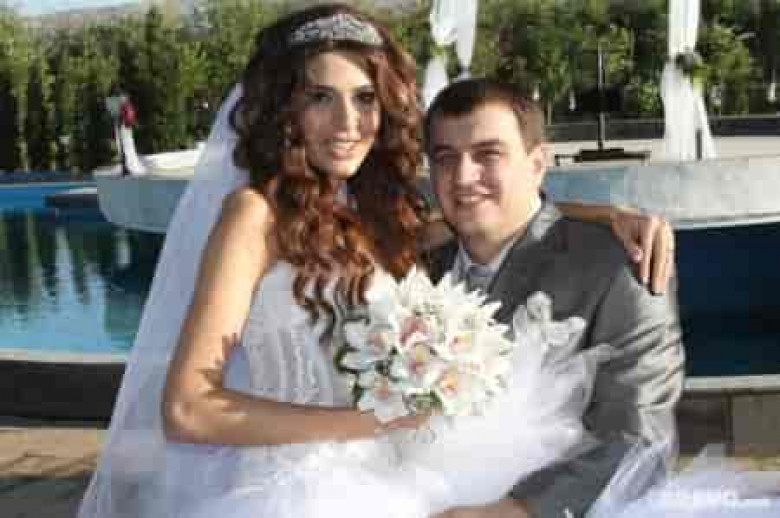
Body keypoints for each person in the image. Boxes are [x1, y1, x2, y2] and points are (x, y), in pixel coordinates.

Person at [77, 5, 678, 518]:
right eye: (321, 98)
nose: (348, 123)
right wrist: (367, 422)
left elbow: (492, 210)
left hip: (400, 479)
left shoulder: (375, 216)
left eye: (365, 98)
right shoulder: (253, 215)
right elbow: (188, 409)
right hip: (301, 490)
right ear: (285, 110)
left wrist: (606, 216)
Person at [421, 78, 685, 518]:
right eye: (446, 158)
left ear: (538, 163)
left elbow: (639, 439)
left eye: (488, 154)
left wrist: (517, 510)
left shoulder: (617, 268)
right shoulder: (411, 271)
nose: (463, 177)